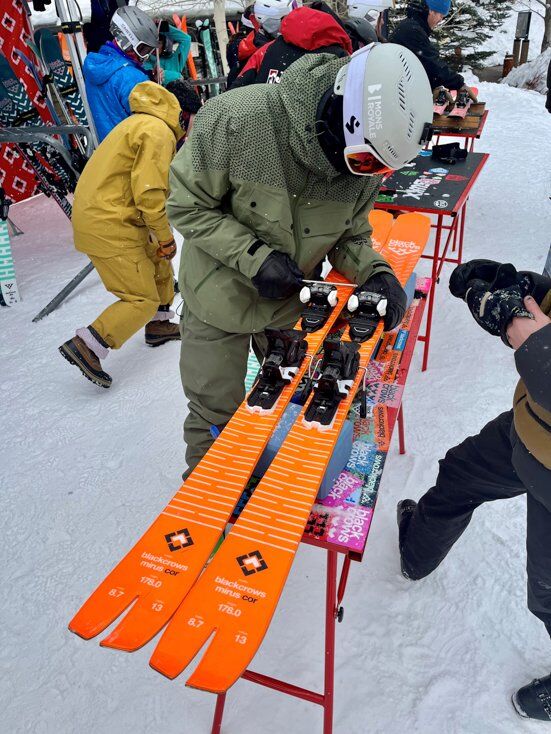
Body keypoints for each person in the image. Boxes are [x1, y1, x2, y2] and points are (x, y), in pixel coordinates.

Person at [166, 43, 433, 474]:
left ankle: (264, 467)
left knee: (284, 392)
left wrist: (375, 271)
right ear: (338, 114)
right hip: (215, 298)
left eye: (374, 168)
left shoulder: (360, 168)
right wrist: (255, 258)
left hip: (288, 303)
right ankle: (210, 496)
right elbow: (186, 204)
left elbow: (350, 235)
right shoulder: (238, 120)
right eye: (363, 159)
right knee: (214, 407)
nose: (360, 175)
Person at [396, 259, 551, 722]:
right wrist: (529, 292)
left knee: (546, 593)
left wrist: (536, 343)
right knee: (460, 473)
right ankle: (416, 553)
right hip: (529, 431)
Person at [59, 80, 201, 389]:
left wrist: (160, 242)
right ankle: (90, 343)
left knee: (159, 261)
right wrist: (164, 235)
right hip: (109, 223)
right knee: (140, 297)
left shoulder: (143, 122)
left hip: (113, 215)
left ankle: (159, 325)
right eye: (192, 121)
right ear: (183, 115)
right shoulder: (158, 132)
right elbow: (150, 193)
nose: (190, 131)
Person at [230, 4, 352, 88]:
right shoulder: (340, 56)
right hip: (320, 123)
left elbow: (237, 88)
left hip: (265, 122)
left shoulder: (267, 50)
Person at [83, 6, 158, 141]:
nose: (146, 56)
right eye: (143, 49)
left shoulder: (98, 66)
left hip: (108, 150)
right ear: (129, 43)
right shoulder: (131, 77)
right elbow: (154, 125)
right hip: (133, 153)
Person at [389, 0, 477, 100]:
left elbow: (421, 66)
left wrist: (435, 85)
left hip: (400, 90)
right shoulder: (412, 30)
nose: (440, 20)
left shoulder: (412, 26)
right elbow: (433, 64)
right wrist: (459, 84)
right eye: (441, 15)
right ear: (431, 11)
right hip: (396, 96)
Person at [143, 19, 192, 86]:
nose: (155, 46)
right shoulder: (146, 61)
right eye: (153, 43)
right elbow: (147, 77)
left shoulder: (174, 60)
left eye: (159, 43)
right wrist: (176, 76)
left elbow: (186, 40)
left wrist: (164, 28)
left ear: (165, 45)